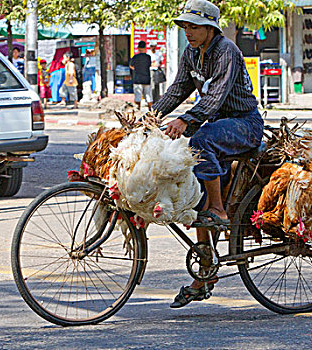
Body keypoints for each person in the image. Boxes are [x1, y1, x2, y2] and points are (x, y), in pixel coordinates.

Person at [152, 0, 264, 308]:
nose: (188, 32)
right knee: (191, 188)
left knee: (199, 140)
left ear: (210, 28)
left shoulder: (226, 50)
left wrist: (186, 120)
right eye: (185, 26)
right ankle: (205, 271)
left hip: (244, 125)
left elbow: (214, 98)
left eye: (194, 27)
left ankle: (220, 209)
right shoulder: (191, 53)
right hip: (216, 124)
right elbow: (177, 90)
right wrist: (152, 114)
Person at [129, 40, 153, 110]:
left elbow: (131, 66)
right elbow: (149, 65)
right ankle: (151, 111)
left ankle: (138, 110)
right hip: (146, 79)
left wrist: (135, 69)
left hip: (137, 79)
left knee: (138, 97)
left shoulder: (135, 57)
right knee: (149, 96)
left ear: (138, 48)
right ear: (145, 48)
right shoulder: (148, 57)